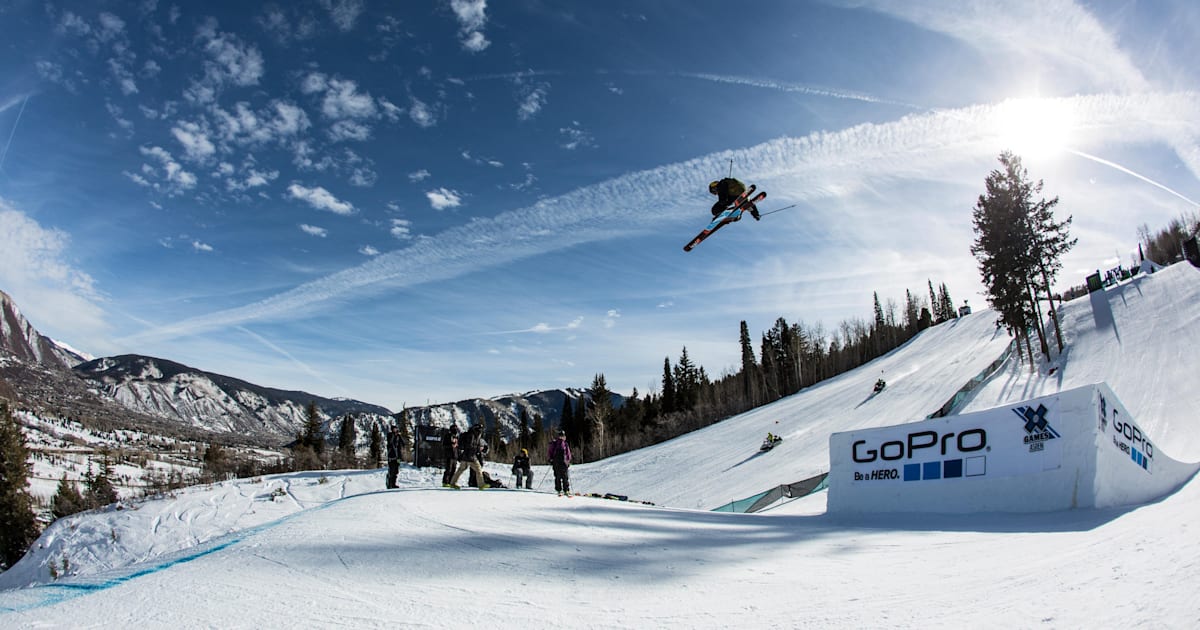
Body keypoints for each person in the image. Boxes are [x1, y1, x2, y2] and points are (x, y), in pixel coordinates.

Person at [450, 424, 488, 489]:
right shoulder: (472, 436)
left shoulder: (471, 435)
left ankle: (452, 483)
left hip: (465, 456)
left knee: (460, 469)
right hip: (471, 456)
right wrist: (479, 449)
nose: (481, 431)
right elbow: (471, 446)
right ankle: (481, 485)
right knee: (478, 469)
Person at [547, 429, 572, 496]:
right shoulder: (554, 444)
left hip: (564, 463)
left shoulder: (565, 444)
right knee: (558, 476)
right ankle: (559, 490)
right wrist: (550, 459)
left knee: (565, 477)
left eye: (562, 436)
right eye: (560, 436)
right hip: (556, 462)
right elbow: (550, 452)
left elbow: (568, 453)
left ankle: (566, 490)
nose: (561, 437)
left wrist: (568, 461)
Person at [385, 424, 402, 489]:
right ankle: (390, 484)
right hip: (391, 457)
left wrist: (398, 436)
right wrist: (394, 435)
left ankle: (394, 484)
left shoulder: (398, 436)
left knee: (396, 471)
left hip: (397, 457)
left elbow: (402, 444)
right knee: (391, 471)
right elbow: (390, 442)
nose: (396, 430)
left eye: (396, 429)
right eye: (394, 429)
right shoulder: (390, 435)